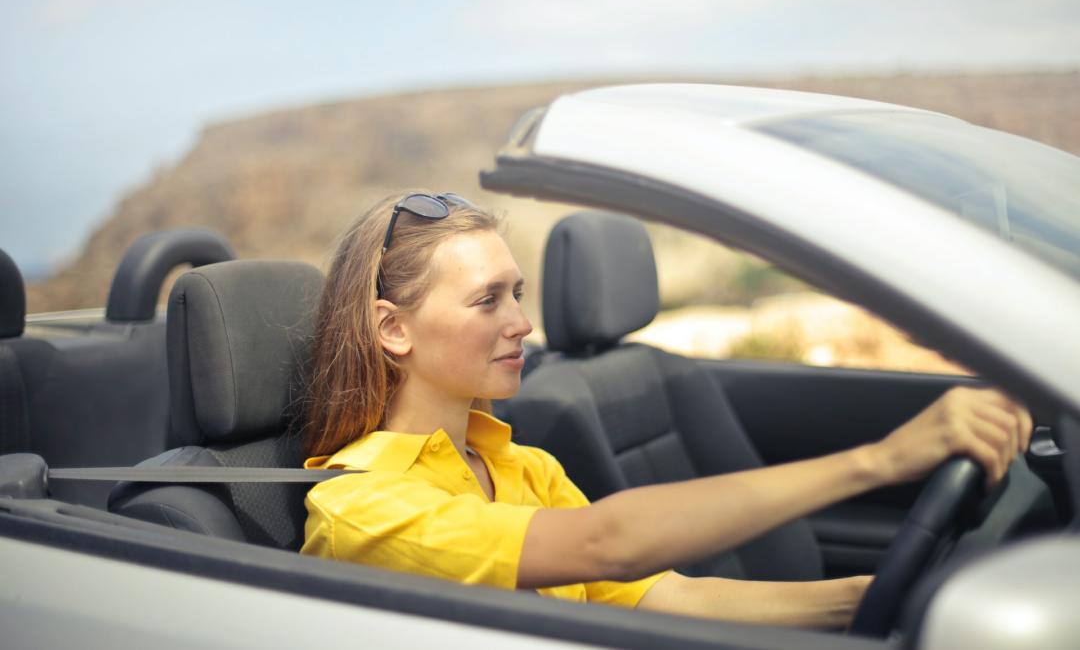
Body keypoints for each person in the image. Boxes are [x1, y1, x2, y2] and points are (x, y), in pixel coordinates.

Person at [300, 192, 1032, 629]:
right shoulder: (363, 507)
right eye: (488, 300)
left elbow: (667, 596)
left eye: (517, 293)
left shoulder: (520, 465)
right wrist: (878, 461)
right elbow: (604, 543)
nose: (522, 322)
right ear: (392, 327)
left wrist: (889, 596)